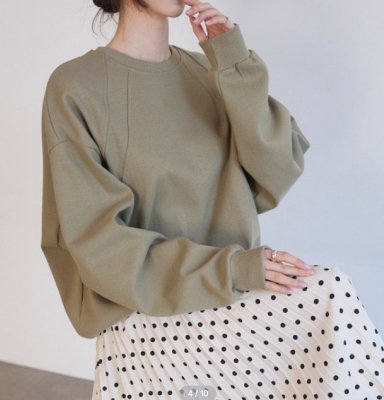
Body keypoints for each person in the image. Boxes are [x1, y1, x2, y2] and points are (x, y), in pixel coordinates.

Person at [41, 0, 384, 398]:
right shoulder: (76, 87)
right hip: (146, 318)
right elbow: (98, 245)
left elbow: (277, 172)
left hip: (236, 305)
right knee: (331, 293)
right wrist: (233, 269)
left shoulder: (209, 70)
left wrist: (234, 62)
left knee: (332, 301)